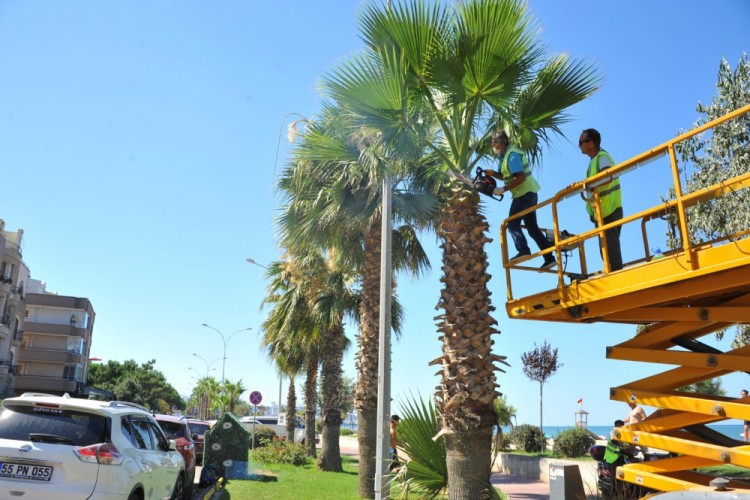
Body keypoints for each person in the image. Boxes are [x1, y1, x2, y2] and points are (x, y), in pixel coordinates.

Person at [485, 130, 555, 270]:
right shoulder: (503, 158)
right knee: (532, 228)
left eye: (494, 142)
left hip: (524, 194)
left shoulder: (512, 155)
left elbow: (520, 177)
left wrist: (503, 189)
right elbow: (505, 176)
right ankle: (549, 258)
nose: (492, 145)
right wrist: (493, 174)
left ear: (500, 143)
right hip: (527, 194)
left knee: (511, 223)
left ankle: (523, 250)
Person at [579, 128, 623, 271]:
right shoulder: (593, 161)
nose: (579, 145)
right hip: (602, 211)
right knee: (606, 250)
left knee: (610, 250)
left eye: (581, 142)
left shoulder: (602, 157)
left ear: (591, 143)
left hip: (609, 209)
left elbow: (607, 176)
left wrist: (588, 186)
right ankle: (612, 271)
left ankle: (615, 275)